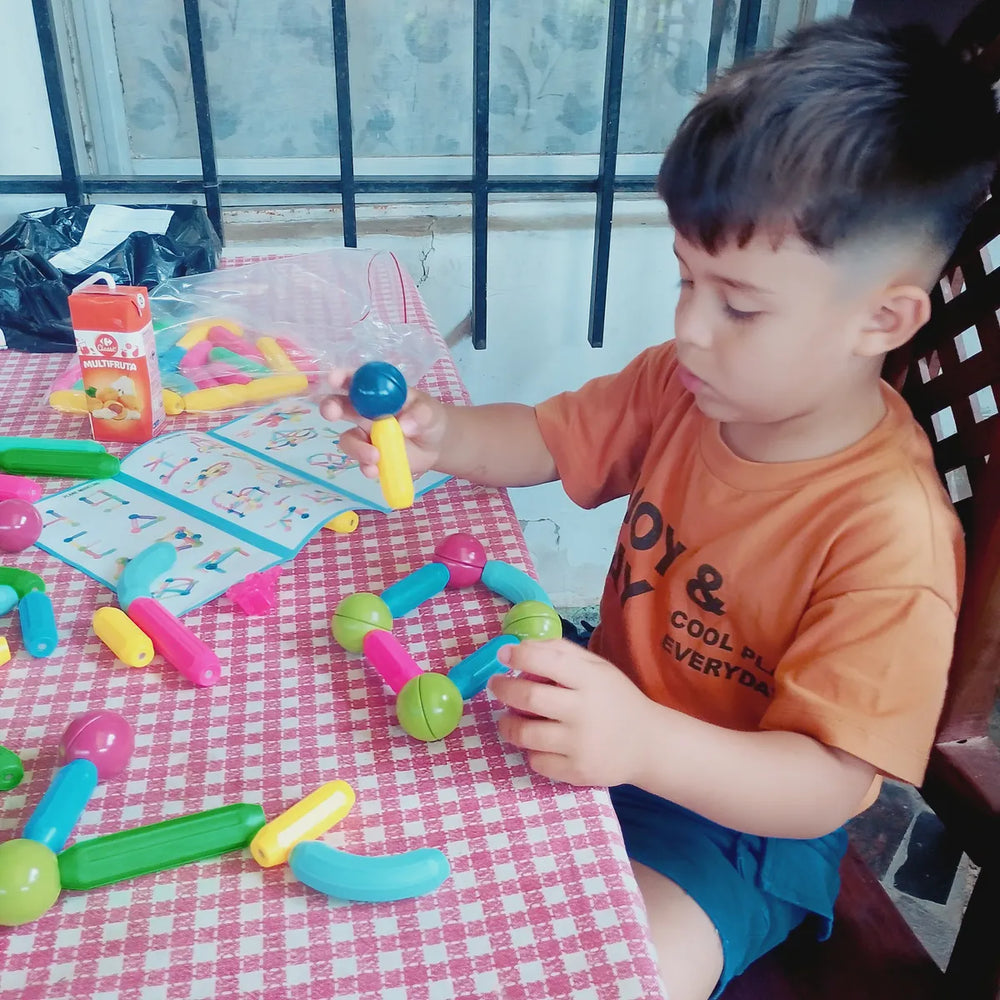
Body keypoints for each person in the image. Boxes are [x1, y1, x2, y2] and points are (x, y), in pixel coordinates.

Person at [321, 18, 999, 1000]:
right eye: (686, 279)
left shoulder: (888, 537)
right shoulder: (684, 389)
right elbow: (545, 438)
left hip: (739, 824)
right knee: (407, 872)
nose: (688, 329)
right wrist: (440, 434)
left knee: (617, 970)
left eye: (739, 304)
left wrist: (643, 742)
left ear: (882, 319)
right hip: (605, 714)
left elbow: (827, 786)